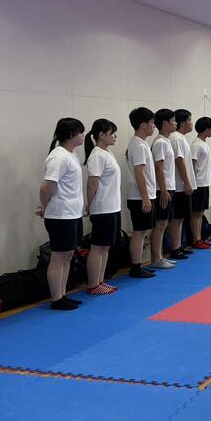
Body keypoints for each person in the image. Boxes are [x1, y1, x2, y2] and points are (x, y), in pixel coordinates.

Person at [36, 118, 86, 310]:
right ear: (71, 134)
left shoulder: (71, 154)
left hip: (71, 214)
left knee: (67, 255)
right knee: (59, 256)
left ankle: (63, 294)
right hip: (60, 215)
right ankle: (56, 298)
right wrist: (45, 207)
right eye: (80, 132)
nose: (83, 136)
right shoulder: (59, 157)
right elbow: (45, 187)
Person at [83, 119, 121, 295]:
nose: (115, 136)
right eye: (112, 133)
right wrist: (89, 205)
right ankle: (93, 284)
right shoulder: (97, 155)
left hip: (112, 207)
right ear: (101, 135)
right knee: (98, 247)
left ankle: (100, 281)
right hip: (102, 207)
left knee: (105, 247)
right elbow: (92, 184)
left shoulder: (107, 153)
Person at [125, 107, 157, 279]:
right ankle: (136, 266)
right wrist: (145, 197)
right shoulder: (137, 145)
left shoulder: (142, 143)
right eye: (152, 123)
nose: (154, 126)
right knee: (139, 232)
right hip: (139, 196)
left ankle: (138, 264)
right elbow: (139, 173)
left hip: (144, 195)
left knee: (142, 232)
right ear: (143, 125)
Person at [151, 109, 178, 269]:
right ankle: (156, 258)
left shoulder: (166, 141)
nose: (175, 123)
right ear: (165, 123)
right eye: (173, 121)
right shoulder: (160, 142)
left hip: (168, 187)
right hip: (163, 188)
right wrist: (163, 189)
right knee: (161, 223)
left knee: (165, 222)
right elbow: (158, 167)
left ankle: (159, 256)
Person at [169, 109, 196, 258]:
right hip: (179, 186)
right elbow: (179, 161)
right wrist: (186, 182)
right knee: (177, 218)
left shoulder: (181, 138)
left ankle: (179, 245)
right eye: (189, 120)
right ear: (182, 123)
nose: (191, 123)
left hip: (182, 184)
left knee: (181, 218)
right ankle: (175, 248)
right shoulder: (175, 138)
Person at [190, 116, 211, 249]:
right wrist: (192, 183)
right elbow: (192, 164)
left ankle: (200, 237)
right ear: (206, 129)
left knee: (201, 212)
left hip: (205, 182)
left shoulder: (204, 143)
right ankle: (196, 240)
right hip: (198, 183)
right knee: (196, 212)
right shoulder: (196, 144)